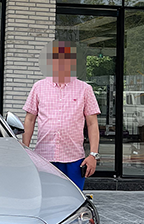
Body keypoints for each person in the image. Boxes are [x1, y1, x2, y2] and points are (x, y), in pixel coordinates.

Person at [22, 41, 100, 189]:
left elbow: (92, 123)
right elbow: (30, 119)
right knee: (45, 197)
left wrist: (93, 155)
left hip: (74, 159)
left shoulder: (85, 89)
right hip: (44, 157)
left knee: (74, 198)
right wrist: (25, 149)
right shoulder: (38, 87)